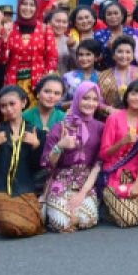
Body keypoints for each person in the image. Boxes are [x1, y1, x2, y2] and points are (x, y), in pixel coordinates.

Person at [0, 85, 46, 237]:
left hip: (25, 189)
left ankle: (4, 222)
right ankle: (3, 221)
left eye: (12, 104)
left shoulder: (37, 132)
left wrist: (36, 146)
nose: (8, 109)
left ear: (23, 103)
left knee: (29, 227)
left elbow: (37, 167)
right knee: (12, 226)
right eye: (3, 106)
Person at [41, 81, 104, 232]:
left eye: (94, 99)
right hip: (61, 182)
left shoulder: (100, 127)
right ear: (77, 99)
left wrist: (82, 195)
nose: (90, 103)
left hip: (85, 183)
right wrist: (60, 146)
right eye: (85, 98)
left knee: (88, 218)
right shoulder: (61, 126)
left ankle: (71, 214)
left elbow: (98, 165)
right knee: (61, 223)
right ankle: (61, 213)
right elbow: (48, 163)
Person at [98, 79, 138, 228]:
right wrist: (122, 142)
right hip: (113, 175)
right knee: (128, 219)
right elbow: (104, 154)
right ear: (127, 95)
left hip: (134, 176)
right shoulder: (114, 118)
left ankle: (113, 208)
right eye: (134, 93)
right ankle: (109, 208)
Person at [97, 35, 138, 112]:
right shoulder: (103, 76)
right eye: (120, 52)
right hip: (110, 119)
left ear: (133, 55)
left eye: (128, 52)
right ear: (113, 55)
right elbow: (97, 101)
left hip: (136, 118)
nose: (124, 56)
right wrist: (109, 109)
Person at [62, 39, 103, 104]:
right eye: (81, 55)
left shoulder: (103, 77)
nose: (84, 58)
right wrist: (73, 103)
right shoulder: (68, 77)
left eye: (88, 54)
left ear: (96, 57)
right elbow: (58, 103)